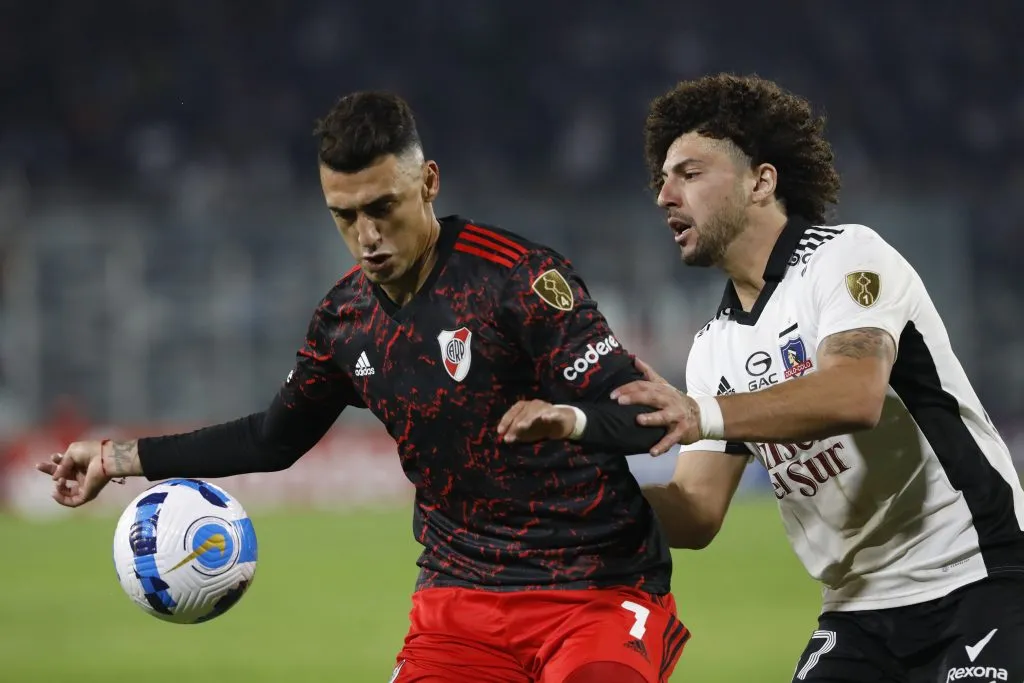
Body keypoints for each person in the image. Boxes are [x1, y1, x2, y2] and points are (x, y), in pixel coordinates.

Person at [37, 91, 689, 683]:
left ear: (428, 183)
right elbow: (272, 438)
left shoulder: (517, 279)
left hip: (596, 588)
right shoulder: (345, 321)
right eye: (345, 215)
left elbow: (645, 415)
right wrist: (117, 456)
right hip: (458, 599)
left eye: (383, 208)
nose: (367, 236)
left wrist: (568, 419)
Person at [503, 74, 1024, 683]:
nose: (664, 196)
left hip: (978, 578)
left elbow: (855, 394)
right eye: (661, 180)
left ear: (762, 181)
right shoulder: (714, 347)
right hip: (857, 613)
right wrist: (567, 499)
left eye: (689, 174)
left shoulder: (847, 256)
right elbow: (696, 512)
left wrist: (703, 414)